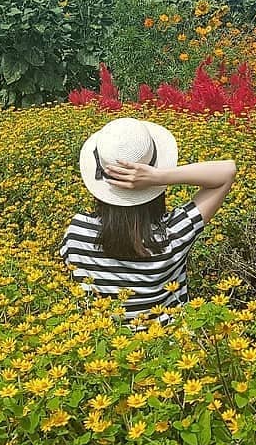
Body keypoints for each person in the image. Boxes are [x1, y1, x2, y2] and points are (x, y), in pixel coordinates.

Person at [59, 117, 236, 324]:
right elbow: (227, 171)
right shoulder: (173, 233)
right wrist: (160, 177)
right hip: (170, 348)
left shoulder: (78, 231)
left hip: (104, 346)